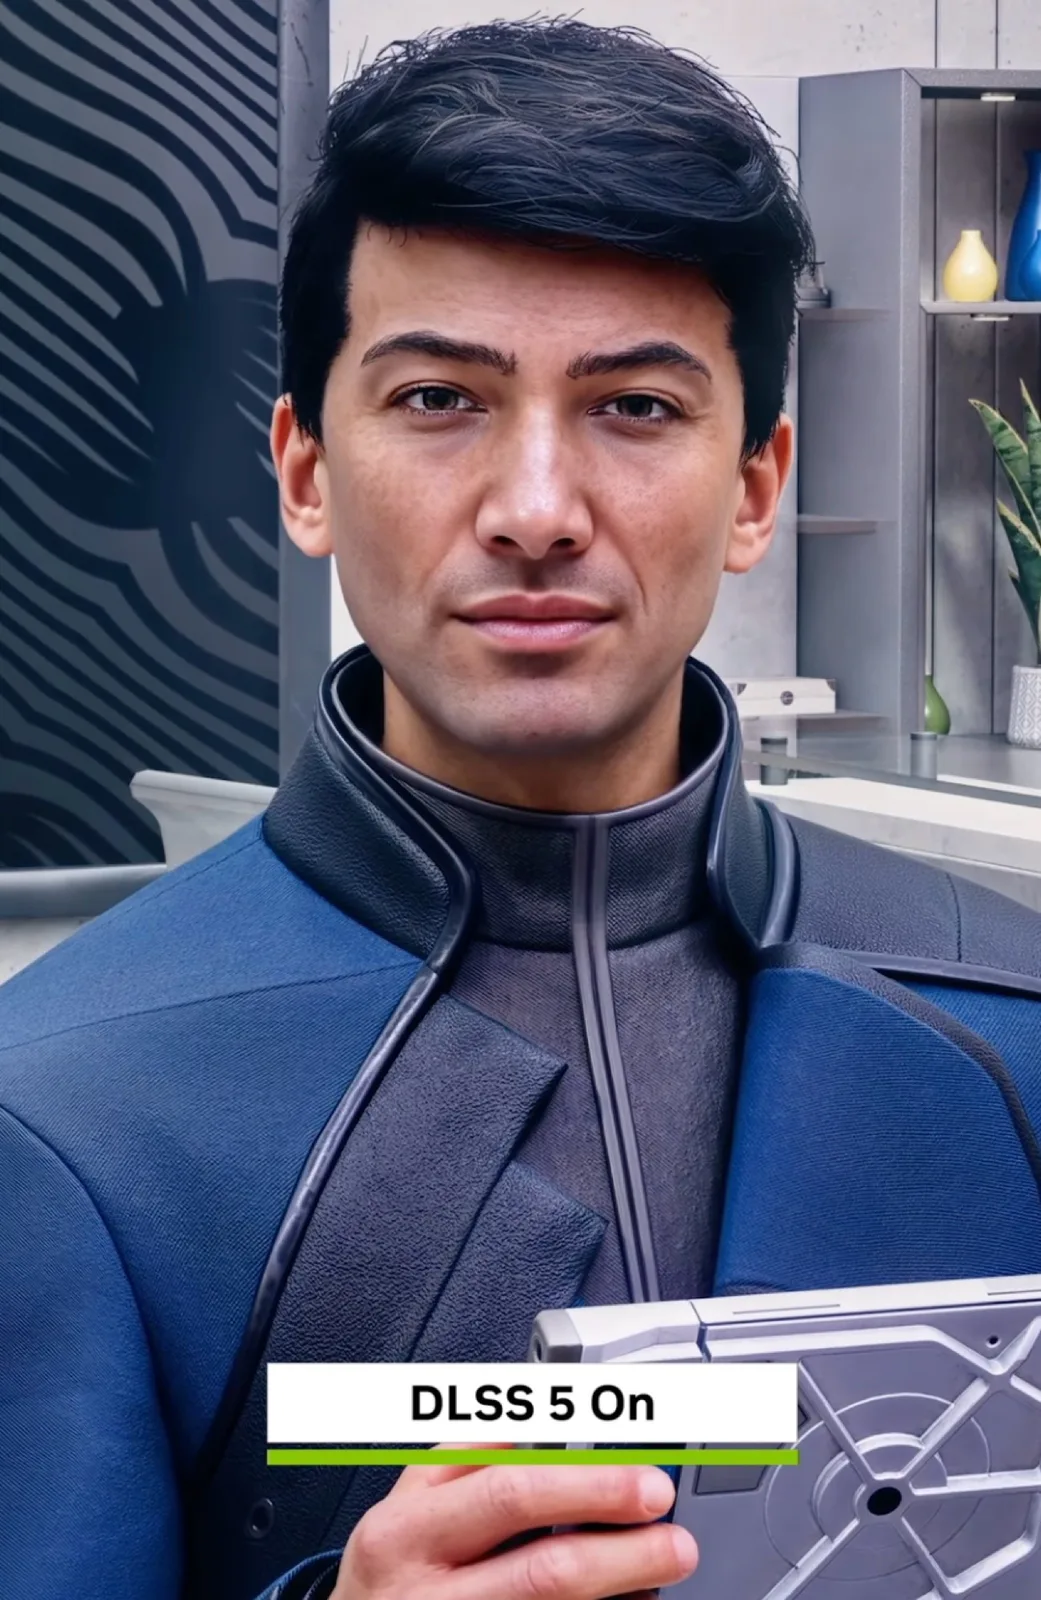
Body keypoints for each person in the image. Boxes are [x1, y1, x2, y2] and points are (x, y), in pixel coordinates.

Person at [3, 17, 1041, 1600]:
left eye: (636, 407)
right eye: (439, 398)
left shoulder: (1011, 1018)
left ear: (755, 485)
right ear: (305, 471)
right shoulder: (63, 1109)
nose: (539, 510)